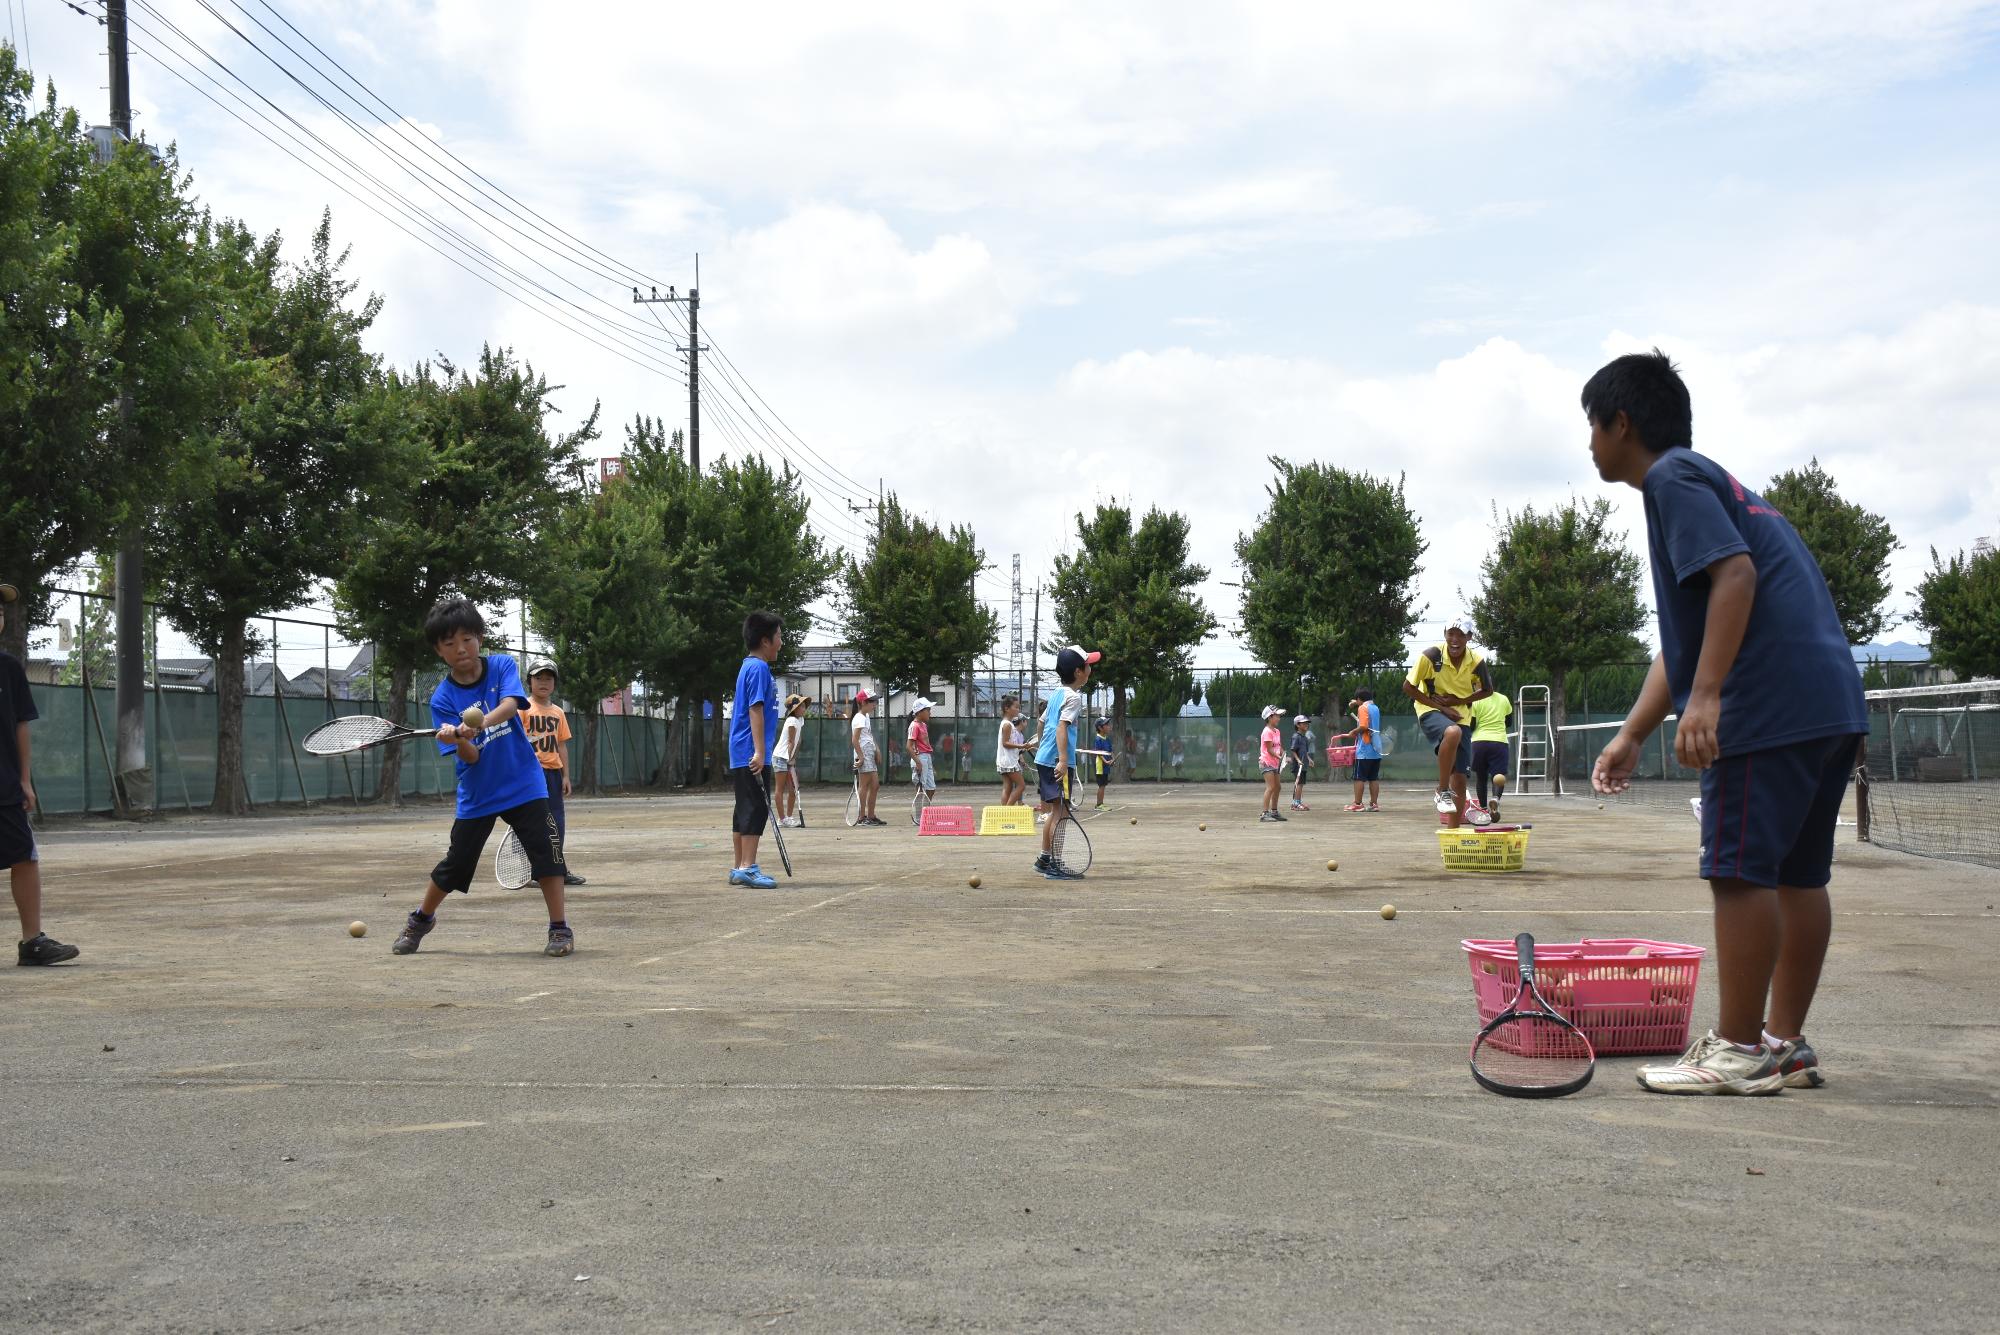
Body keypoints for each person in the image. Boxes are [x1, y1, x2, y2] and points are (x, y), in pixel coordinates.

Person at [1585, 349, 1867, 1097]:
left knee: (1739, 871)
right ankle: (1785, 1042)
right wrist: (1634, 731)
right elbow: (1686, 640)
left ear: (1622, 423)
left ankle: (1738, 1049)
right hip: (1829, 702)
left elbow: (1735, 577)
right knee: (1799, 876)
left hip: (1767, 706)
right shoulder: (1715, 482)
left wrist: (1708, 697)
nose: (1588, 442)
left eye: (1592, 424)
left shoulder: (1672, 478)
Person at [391, 598, 572, 957]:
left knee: (548, 856)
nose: (461, 649)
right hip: (479, 794)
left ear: (479, 638)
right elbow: (471, 759)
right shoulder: (442, 698)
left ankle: (559, 929)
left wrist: (478, 723)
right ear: (438, 651)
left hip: (524, 782)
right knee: (455, 864)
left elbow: (509, 706)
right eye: (449, 643)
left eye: (467, 639)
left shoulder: (502, 665)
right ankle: (421, 919)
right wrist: (459, 739)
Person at [2, 582, 79, 966]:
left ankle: (32, 942)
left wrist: (25, 779)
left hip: (3, 785)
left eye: (0, 612)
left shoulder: (9, 668)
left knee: (25, 858)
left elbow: (20, 725)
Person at [1403, 619, 1496, 827]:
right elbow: (1408, 687)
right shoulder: (1431, 656)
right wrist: (1443, 708)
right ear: (1445, 634)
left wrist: (1458, 701)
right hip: (1429, 709)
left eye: (1461, 635)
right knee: (1452, 732)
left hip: (1461, 714)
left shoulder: (1476, 661)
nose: (1455, 640)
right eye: (1451, 633)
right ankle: (1442, 790)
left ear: (1469, 637)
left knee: (1461, 779)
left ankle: (1452, 834)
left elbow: (1488, 690)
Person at [728, 611, 784, 888]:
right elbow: (755, 709)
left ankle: (739, 866)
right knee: (755, 808)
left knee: (744, 808)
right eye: (778, 637)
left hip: (741, 750)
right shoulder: (758, 668)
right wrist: (760, 753)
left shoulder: (748, 666)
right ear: (765, 640)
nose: (781, 642)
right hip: (751, 751)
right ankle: (748, 867)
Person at [1034, 644, 1100, 879]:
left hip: (1046, 759)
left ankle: (1044, 859)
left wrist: (1044, 748)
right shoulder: (1073, 698)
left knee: (1055, 811)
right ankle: (1055, 865)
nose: (1091, 667)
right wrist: (1062, 759)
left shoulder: (1056, 694)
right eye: (1088, 664)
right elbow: (1062, 727)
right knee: (1061, 814)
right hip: (1056, 762)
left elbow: (1041, 723)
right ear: (1078, 672)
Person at [522, 662, 584, 886]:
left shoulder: (558, 712)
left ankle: (558, 870)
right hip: (530, 776)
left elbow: (562, 746)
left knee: (556, 822)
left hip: (553, 774)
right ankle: (534, 872)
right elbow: (516, 744)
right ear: (529, 681)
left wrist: (565, 775)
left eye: (548, 679)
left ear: (555, 684)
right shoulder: (522, 709)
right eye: (538, 678)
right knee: (533, 824)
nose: (543, 683)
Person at [1467, 690, 1513, 821]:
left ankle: (1483, 810)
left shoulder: (1474, 700)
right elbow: (1508, 722)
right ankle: (1495, 799)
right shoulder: (1504, 698)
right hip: (1499, 742)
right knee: (1498, 776)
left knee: (1481, 778)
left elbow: (1472, 725)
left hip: (1479, 742)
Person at [1338, 689, 1383, 812]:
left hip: (1365, 749)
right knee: (1373, 778)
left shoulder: (1362, 708)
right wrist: (1355, 703)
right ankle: (1374, 804)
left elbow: (1363, 726)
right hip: (1377, 748)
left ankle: (1358, 804)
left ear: (1359, 699)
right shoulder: (1375, 707)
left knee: (1359, 778)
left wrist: (1353, 732)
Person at [848, 690, 885, 826]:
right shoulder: (859, 718)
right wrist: (861, 757)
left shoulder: (866, 716)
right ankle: (861, 817)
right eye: (872, 702)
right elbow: (855, 740)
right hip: (863, 752)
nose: (875, 704)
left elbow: (868, 735)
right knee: (864, 786)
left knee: (875, 785)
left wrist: (877, 750)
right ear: (864, 703)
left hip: (869, 751)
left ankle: (870, 815)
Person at [773, 693, 810, 827]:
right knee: (780, 789)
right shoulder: (792, 721)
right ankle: (782, 819)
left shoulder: (800, 721)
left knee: (793, 789)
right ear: (794, 708)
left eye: (804, 706)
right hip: (781, 757)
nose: (804, 708)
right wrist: (789, 760)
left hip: (788, 758)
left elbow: (798, 741)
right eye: (801, 706)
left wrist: (793, 758)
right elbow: (790, 742)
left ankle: (788, 817)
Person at [995, 695, 1029, 806]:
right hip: (1009, 761)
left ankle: (1003, 814)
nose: (1018, 710)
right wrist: (1021, 746)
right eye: (1016, 707)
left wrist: (1022, 746)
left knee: (1008, 787)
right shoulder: (1007, 725)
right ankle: (1007, 812)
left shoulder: (1006, 723)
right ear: (1007, 708)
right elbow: (1005, 743)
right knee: (1021, 786)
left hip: (1004, 760)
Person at [1257, 705, 1286, 822]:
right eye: (1277, 716)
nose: (1279, 718)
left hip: (1275, 763)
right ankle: (1264, 814)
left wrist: (1284, 756)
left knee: (1277, 787)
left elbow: (1279, 746)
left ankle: (1274, 812)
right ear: (1269, 717)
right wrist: (1280, 757)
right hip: (1266, 762)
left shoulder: (1277, 731)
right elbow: (1269, 749)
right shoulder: (1267, 732)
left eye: (1279, 716)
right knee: (1270, 787)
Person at [907, 697, 938, 804]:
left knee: (931, 788)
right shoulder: (914, 726)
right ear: (919, 712)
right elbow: (909, 746)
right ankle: (919, 815)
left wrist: (931, 765)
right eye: (928, 710)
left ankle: (926, 811)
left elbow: (926, 745)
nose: (930, 712)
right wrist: (918, 762)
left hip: (926, 757)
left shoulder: (923, 725)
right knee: (920, 789)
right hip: (919, 758)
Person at [1288, 714, 1314, 811]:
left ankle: (1297, 802)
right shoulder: (1296, 737)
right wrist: (1298, 761)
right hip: (1297, 766)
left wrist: (1309, 759)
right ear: (1298, 725)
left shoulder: (1305, 738)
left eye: (1307, 723)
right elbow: (1293, 750)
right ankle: (1296, 804)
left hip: (1303, 765)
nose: (1306, 725)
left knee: (1301, 784)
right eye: (1304, 723)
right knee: (1298, 784)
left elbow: (1305, 752)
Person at [1090, 716, 1115, 808]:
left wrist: (1112, 760)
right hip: (1100, 766)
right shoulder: (1098, 739)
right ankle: (1099, 804)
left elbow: (1110, 751)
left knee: (1104, 785)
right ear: (1100, 728)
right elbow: (1099, 754)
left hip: (1106, 766)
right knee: (1101, 785)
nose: (1109, 726)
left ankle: (1101, 803)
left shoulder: (1107, 739)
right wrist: (1106, 762)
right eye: (1106, 725)